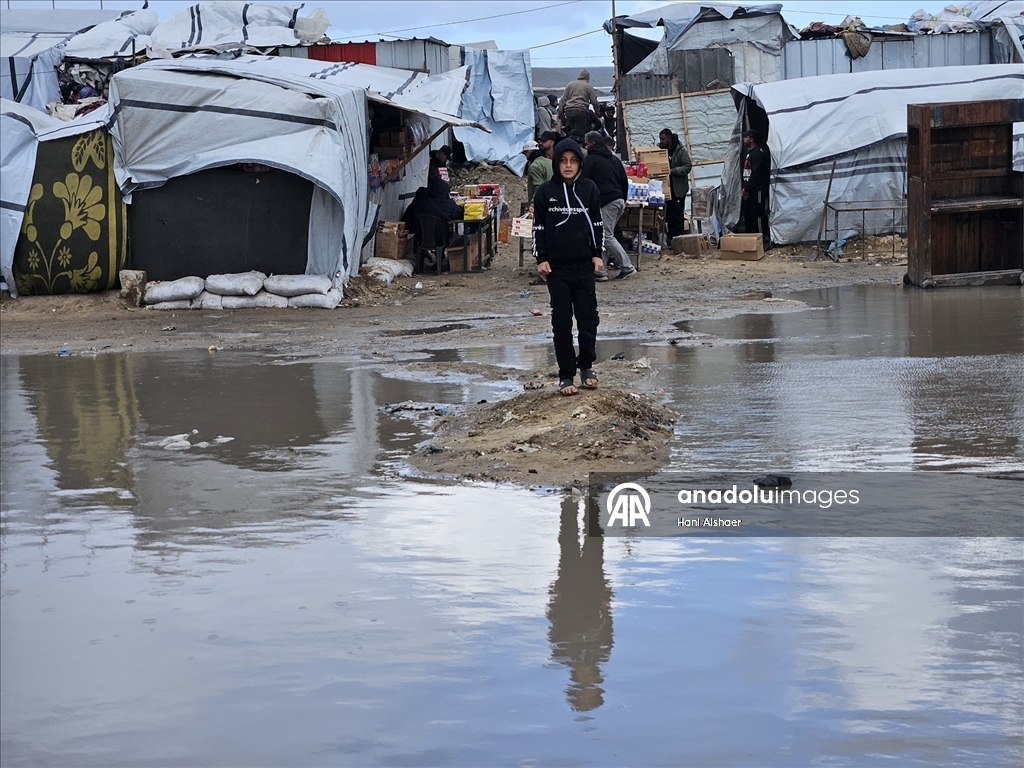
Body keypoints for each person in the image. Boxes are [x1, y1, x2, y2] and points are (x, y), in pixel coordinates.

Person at [533, 138, 604, 396]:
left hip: (584, 266)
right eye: (563, 161)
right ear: (556, 163)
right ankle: (566, 374)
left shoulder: (590, 189)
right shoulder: (545, 192)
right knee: (562, 323)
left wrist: (597, 255)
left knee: (588, 320)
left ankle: (586, 366)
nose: (568, 166)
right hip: (557, 270)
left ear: (580, 163)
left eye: (573, 161)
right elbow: (538, 228)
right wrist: (541, 259)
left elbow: (597, 224)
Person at [583, 130, 635, 281]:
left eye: (586, 144)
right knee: (603, 234)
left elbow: (584, 183)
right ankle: (601, 271)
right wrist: (623, 199)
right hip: (618, 200)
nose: (585, 147)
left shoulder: (591, 160)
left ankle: (627, 267)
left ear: (592, 143)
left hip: (606, 201)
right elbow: (624, 181)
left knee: (605, 235)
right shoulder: (614, 159)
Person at [658, 128, 692, 239]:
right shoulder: (659, 150)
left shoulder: (680, 151)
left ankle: (678, 239)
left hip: (678, 190)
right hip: (666, 191)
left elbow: (687, 166)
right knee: (667, 216)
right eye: (660, 139)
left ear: (669, 138)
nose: (661, 141)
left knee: (677, 215)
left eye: (663, 139)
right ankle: (670, 239)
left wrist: (673, 171)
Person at [741, 128, 771, 249]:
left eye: (746, 137)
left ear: (751, 139)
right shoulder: (749, 153)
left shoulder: (758, 153)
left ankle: (761, 240)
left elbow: (756, 172)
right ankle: (751, 240)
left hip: (757, 189)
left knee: (758, 214)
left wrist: (748, 188)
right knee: (749, 215)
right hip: (750, 190)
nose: (744, 139)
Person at [558, 69, 601, 138]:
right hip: (580, 111)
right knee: (579, 133)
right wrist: (597, 112)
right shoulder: (588, 86)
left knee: (572, 131)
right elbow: (594, 101)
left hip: (568, 111)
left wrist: (560, 111)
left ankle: (571, 142)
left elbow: (563, 99)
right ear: (588, 77)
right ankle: (578, 143)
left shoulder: (570, 85)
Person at [529, 132, 556, 203]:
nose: (541, 143)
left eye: (544, 141)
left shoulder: (559, 159)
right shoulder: (538, 162)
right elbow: (538, 187)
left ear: (551, 143)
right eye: (540, 141)